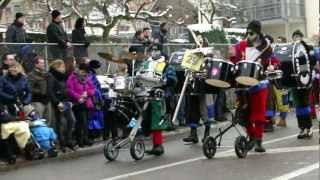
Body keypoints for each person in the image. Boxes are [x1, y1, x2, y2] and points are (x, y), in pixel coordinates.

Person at [229, 20, 279, 152]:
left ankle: (258, 140)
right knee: (242, 115)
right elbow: (234, 60)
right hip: (242, 84)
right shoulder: (241, 45)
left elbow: (273, 61)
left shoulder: (265, 46)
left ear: (258, 33)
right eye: (248, 32)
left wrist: (272, 65)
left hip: (259, 84)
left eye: (252, 33)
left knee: (258, 114)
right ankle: (251, 136)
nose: (249, 35)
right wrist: (232, 56)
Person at [47, 60, 76, 151]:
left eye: (63, 67)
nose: (63, 69)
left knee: (72, 120)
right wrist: (57, 102)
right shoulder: (51, 76)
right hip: (59, 102)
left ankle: (69, 140)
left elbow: (66, 89)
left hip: (66, 101)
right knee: (60, 123)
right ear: (56, 67)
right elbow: (50, 91)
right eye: (61, 67)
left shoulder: (63, 77)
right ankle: (62, 143)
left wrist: (70, 101)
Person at [290, 30, 313, 139]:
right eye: (295, 37)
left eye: (298, 36)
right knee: (298, 106)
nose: (296, 38)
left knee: (305, 104)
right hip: (295, 82)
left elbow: (311, 63)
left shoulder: (306, 48)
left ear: (302, 37)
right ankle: (302, 128)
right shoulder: (291, 50)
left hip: (305, 81)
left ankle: (309, 128)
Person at [67, 63, 95, 147]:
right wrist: (79, 96)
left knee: (86, 121)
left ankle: (85, 138)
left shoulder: (87, 78)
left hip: (87, 102)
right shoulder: (72, 78)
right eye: (83, 72)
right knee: (80, 122)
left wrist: (88, 93)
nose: (85, 74)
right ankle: (80, 139)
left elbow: (92, 88)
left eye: (86, 72)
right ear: (80, 70)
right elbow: (70, 90)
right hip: (78, 102)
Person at [86, 59, 105, 140]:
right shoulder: (90, 74)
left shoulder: (90, 73)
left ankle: (95, 133)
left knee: (95, 115)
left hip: (95, 96)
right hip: (94, 97)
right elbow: (92, 86)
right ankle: (94, 134)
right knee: (94, 115)